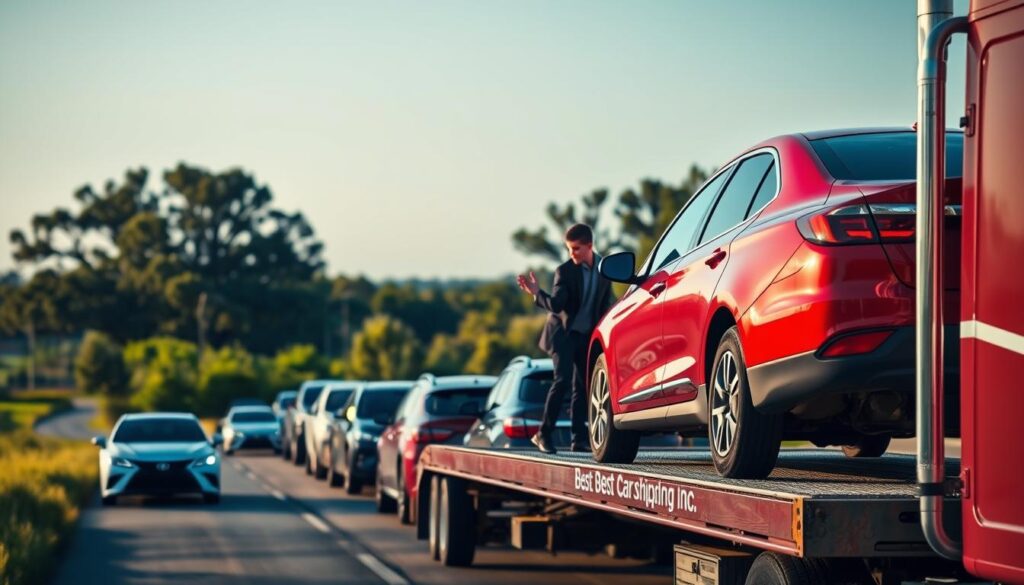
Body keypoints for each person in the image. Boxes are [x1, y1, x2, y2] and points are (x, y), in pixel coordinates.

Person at [516, 223, 613, 454]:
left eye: (576, 249)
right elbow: (557, 305)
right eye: (569, 249)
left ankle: (578, 438)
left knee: (582, 387)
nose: (572, 254)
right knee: (562, 381)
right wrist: (537, 293)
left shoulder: (604, 269)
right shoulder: (565, 271)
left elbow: (605, 304)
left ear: (590, 246)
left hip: (585, 336)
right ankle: (543, 434)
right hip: (563, 335)